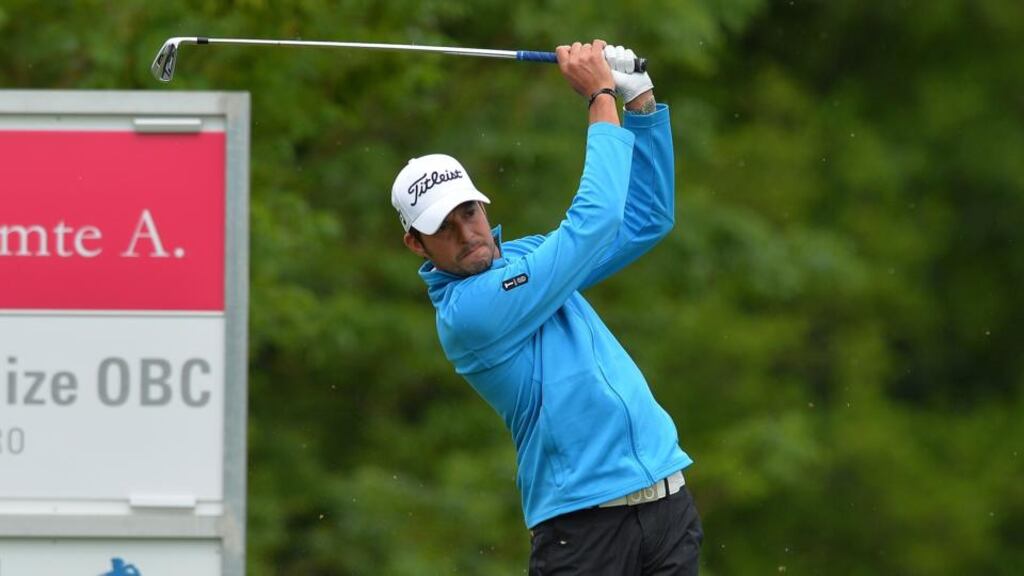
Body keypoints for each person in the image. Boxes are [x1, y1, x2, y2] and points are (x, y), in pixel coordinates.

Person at [392, 39, 702, 575]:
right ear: (417, 245)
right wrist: (599, 95)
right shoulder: (468, 314)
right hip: (583, 532)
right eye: (444, 227)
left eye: (469, 212)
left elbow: (646, 218)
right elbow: (595, 222)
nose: (467, 233)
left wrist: (640, 102)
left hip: (666, 505)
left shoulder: (530, 257)